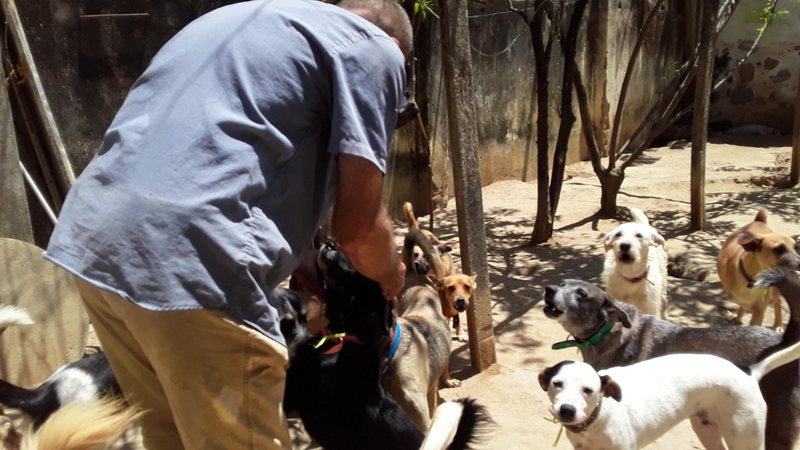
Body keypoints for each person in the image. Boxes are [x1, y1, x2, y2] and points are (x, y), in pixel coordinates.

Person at [43, 0, 410, 448]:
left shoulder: (241, 19)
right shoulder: (377, 49)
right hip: (195, 258)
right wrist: (390, 275)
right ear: (393, 43)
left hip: (97, 242)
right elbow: (360, 229)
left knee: (171, 438)